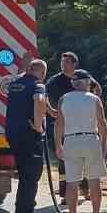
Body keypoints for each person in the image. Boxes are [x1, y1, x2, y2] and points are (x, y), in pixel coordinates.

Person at [53, 70, 107, 213]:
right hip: (91, 139)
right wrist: (104, 145)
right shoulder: (94, 99)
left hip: (71, 140)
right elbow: (102, 123)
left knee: (72, 181)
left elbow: (59, 125)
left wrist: (58, 145)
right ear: (87, 82)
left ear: (73, 83)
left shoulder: (64, 99)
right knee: (94, 179)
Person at [5, 57, 49, 213]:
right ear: (41, 72)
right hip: (30, 135)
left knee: (24, 173)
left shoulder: (14, 85)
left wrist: (50, 110)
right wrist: (38, 125)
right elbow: (38, 101)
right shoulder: (38, 85)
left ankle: (21, 209)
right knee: (31, 174)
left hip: (13, 134)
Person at [44, 51, 85, 199]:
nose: (63, 65)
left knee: (82, 157)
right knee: (63, 159)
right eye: (62, 62)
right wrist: (49, 109)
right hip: (62, 125)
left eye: (66, 62)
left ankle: (85, 190)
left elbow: (96, 91)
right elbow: (44, 94)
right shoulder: (54, 81)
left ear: (75, 64)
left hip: (82, 125)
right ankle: (64, 193)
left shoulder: (82, 78)